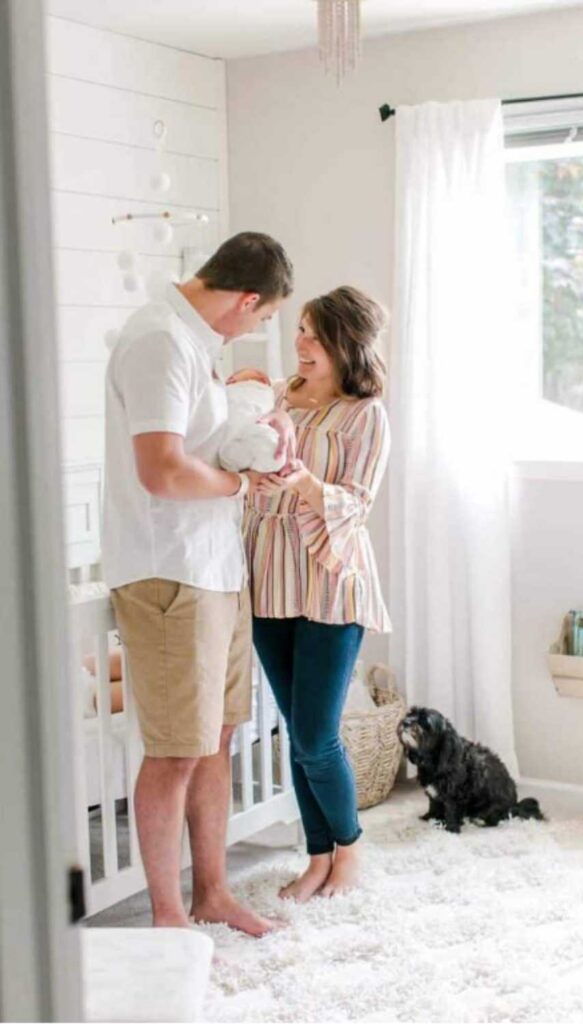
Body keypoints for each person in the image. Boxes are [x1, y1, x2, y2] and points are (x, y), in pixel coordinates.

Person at [101, 231, 293, 931]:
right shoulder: (159, 341)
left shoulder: (195, 345)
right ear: (246, 299)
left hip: (213, 566)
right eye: (264, 318)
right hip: (169, 568)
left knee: (215, 737)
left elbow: (199, 446)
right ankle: (167, 912)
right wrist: (243, 482)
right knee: (176, 748)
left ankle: (212, 892)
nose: (258, 329)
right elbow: (162, 471)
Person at [245, 285, 391, 902]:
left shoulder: (367, 414)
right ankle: (316, 855)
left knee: (316, 737)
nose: (299, 343)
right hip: (270, 577)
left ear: (343, 344)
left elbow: (356, 503)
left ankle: (350, 850)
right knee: (294, 729)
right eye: (299, 329)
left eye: (312, 334)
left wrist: (301, 481)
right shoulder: (276, 396)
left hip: (332, 579)